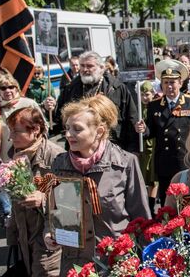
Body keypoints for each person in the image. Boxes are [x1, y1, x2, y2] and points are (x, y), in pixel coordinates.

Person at [44, 95, 150, 276]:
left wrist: (144, 261)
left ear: (99, 131)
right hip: (74, 262)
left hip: (115, 261)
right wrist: (49, 233)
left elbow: (141, 217)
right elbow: (53, 211)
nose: (68, 135)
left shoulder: (124, 163)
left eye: (77, 129)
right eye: (67, 128)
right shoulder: (59, 165)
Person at [5, 107, 63, 276]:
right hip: (25, 241)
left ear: (36, 129)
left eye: (16, 132)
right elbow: (16, 202)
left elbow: (71, 202)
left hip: (48, 241)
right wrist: (12, 236)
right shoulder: (17, 156)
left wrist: (44, 200)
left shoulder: (56, 156)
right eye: (10, 131)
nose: (10, 137)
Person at [135, 60, 190, 207]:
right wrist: (143, 130)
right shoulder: (154, 105)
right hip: (164, 161)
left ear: (180, 83)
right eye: (166, 83)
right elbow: (150, 133)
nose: (169, 86)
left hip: (185, 159)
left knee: (187, 199)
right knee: (167, 201)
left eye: (173, 82)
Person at [48, 51, 139, 151]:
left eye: (89, 66)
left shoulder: (117, 88)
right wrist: (50, 109)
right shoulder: (71, 88)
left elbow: (131, 119)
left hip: (111, 148)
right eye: (82, 65)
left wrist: (133, 150)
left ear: (101, 68)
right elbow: (59, 119)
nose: (84, 69)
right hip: (80, 150)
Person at [0, 73, 44, 161]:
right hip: (5, 155)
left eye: (11, 87)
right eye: (3, 88)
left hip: (30, 153)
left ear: (17, 88)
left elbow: (43, 127)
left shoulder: (29, 104)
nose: (7, 90)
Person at [139, 81, 160, 214]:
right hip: (143, 148)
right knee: (143, 177)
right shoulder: (138, 109)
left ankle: (151, 205)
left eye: (147, 94)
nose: (145, 97)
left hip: (155, 146)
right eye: (142, 95)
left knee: (154, 178)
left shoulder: (156, 107)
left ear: (152, 94)